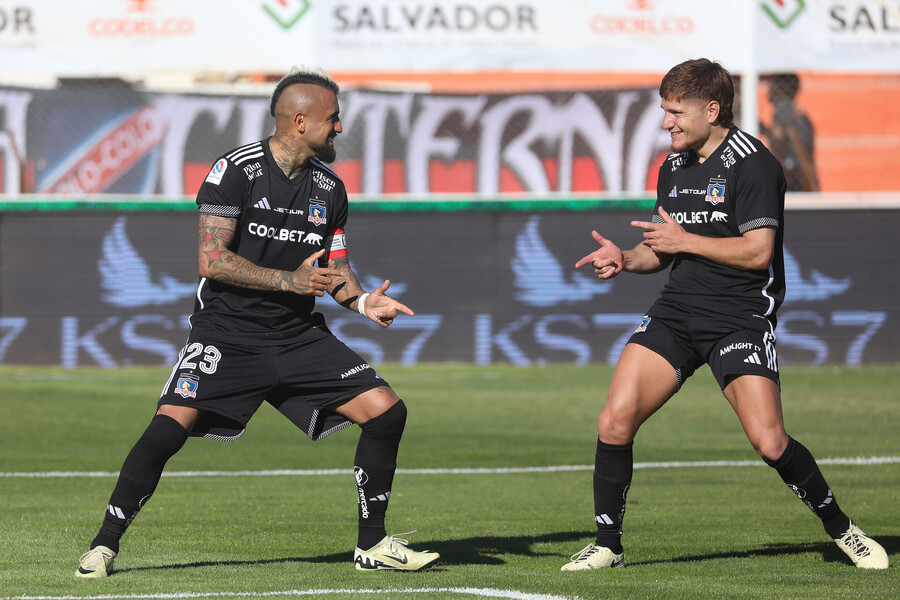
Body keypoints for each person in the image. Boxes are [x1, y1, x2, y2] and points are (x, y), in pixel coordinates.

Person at [75, 66, 439, 578]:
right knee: (166, 431)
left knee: (386, 412)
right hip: (225, 332)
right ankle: (104, 546)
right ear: (299, 120)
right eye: (332, 119)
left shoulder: (329, 189)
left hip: (295, 336)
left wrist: (360, 303)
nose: (339, 128)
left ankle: (372, 544)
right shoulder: (234, 171)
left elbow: (333, 270)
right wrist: (287, 282)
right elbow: (212, 260)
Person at [562, 58, 887, 571]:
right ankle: (608, 545)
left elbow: (758, 252)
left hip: (738, 317)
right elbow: (663, 253)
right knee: (614, 420)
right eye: (663, 110)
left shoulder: (754, 164)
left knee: (770, 440)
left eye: (675, 112)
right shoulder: (675, 165)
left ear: (711, 110)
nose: (666, 122)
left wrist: (684, 240)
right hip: (677, 312)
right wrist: (626, 259)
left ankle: (843, 530)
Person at [760, 73, 819, 192]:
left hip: (791, 177)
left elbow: (779, 138)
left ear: (781, 88)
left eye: (773, 84)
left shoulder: (783, 108)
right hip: (800, 176)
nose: (769, 88)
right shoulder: (799, 114)